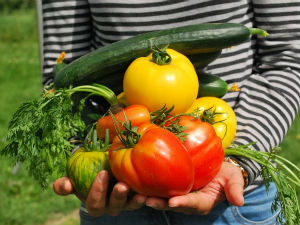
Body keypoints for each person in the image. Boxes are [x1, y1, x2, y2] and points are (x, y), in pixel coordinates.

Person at [36, 0, 300, 224]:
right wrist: (86, 161)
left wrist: (240, 161)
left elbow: (287, 60)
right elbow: (63, 79)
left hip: (234, 196)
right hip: (117, 184)